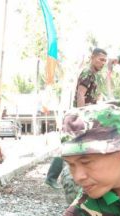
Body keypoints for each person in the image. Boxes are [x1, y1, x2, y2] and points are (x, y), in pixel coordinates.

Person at [46, 48, 108, 189]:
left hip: (85, 116)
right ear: (92, 58)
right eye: (100, 59)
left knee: (72, 147)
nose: (103, 63)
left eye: (105, 60)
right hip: (80, 118)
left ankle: (60, 177)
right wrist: (82, 116)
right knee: (68, 146)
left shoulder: (93, 74)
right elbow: (81, 94)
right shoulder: (87, 73)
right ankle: (51, 177)